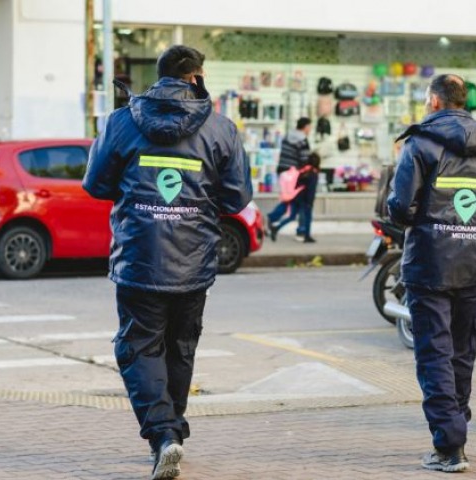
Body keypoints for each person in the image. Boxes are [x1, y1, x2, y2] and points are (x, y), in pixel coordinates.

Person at [83, 45, 252, 480]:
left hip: (139, 257)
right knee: (180, 348)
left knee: (139, 347)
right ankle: (170, 432)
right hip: (193, 261)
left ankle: (164, 435)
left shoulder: (122, 122)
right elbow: (237, 197)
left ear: (158, 78)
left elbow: (96, 183)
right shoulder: (220, 129)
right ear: (196, 78)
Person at [387, 74, 476, 473]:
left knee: (434, 356)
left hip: (429, 264)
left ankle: (449, 445)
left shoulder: (421, 143)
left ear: (434, 101)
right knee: (462, 353)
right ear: (464, 101)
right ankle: (455, 430)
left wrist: (423, 224)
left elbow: (400, 205)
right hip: (475, 265)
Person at [268, 117, 316, 242]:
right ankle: (302, 230)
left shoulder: (287, 136)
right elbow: (304, 160)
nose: (310, 129)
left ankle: (273, 219)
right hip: (295, 175)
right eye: (309, 127)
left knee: (289, 198)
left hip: (283, 171)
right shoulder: (302, 140)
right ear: (305, 127)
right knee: (300, 201)